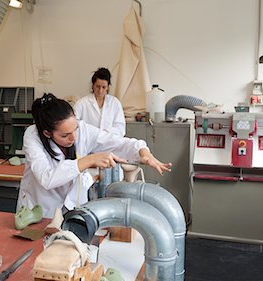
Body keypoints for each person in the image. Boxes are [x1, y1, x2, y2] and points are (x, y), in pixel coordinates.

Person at [17, 93, 171, 218]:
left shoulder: (83, 130)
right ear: (47, 133)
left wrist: (143, 152)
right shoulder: (33, 136)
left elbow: (117, 143)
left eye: (75, 129)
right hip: (39, 211)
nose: (73, 138)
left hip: (71, 208)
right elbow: (47, 178)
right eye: (65, 135)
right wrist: (90, 160)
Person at [74, 67, 126, 136]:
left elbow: (120, 129)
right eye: (98, 86)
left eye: (104, 87)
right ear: (93, 86)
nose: (100, 90)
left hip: (109, 143)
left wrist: (105, 132)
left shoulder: (115, 103)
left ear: (108, 87)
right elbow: (73, 124)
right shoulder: (82, 103)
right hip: (89, 143)